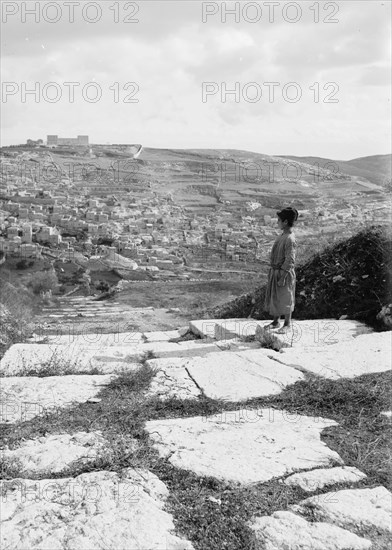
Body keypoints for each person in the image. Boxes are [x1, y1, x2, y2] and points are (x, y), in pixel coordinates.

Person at [263, 207, 298, 333]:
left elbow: (290, 260)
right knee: (276, 296)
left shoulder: (290, 239)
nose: (277, 222)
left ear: (285, 222)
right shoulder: (283, 235)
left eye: (279, 220)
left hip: (284, 273)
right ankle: (276, 321)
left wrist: (283, 276)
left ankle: (287, 323)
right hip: (276, 271)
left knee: (286, 296)